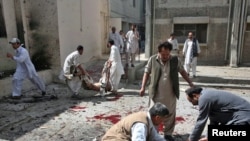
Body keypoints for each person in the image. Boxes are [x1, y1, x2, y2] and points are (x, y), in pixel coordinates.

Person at [139, 41, 194, 141]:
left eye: (167, 54)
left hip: (170, 93)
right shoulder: (152, 59)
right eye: (163, 54)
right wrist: (142, 87)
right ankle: (152, 133)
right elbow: (146, 73)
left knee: (170, 114)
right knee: (153, 114)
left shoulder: (174, 60)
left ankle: (168, 134)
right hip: (156, 93)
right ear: (158, 52)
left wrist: (190, 83)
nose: (165, 56)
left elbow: (182, 71)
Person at [185, 86, 250, 141]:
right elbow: (214, 121)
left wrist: (192, 139)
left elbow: (201, 121)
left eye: (191, 101)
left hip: (243, 120)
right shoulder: (208, 96)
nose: (192, 104)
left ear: (195, 96)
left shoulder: (204, 98)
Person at [102, 102, 169, 141]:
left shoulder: (148, 120)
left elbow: (155, 137)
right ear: (157, 118)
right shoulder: (141, 124)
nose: (162, 122)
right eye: (162, 119)